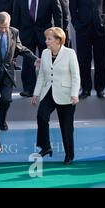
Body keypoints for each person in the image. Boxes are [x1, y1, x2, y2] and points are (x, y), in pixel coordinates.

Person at [0, 12, 38, 153]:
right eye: (0, 27)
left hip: (7, 73)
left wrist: (35, 59)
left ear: (9, 24)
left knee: (6, 100)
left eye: (5, 27)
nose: (3, 30)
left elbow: (20, 48)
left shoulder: (14, 32)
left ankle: (2, 120)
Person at [32, 27, 80, 165]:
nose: (46, 41)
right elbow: (41, 75)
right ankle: (46, 146)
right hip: (49, 92)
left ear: (58, 40)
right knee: (41, 115)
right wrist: (36, 93)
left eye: (49, 39)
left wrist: (74, 94)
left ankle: (69, 155)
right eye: (46, 38)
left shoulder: (70, 53)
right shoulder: (45, 53)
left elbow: (76, 76)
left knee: (66, 127)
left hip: (66, 95)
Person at [12, 0, 62, 97]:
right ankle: (29, 89)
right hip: (26, 32)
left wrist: (57, 33)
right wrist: (14, 35)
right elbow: (16, 15)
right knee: (28, 61)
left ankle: (48, 88)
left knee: (47, 60)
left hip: (45, 33)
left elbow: (57, 12)